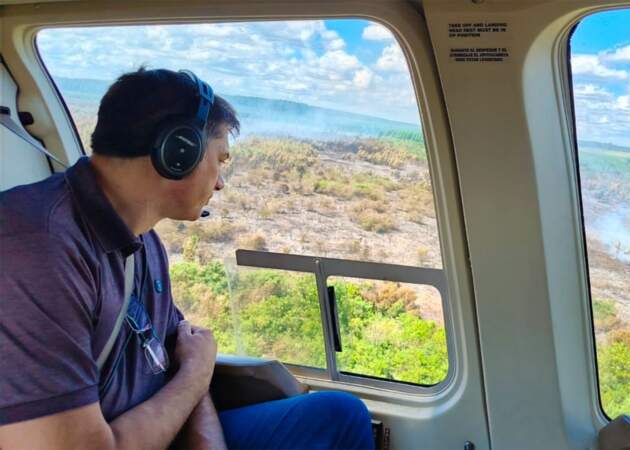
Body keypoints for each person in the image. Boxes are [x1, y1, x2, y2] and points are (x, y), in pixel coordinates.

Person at [0, 68, 374, 450]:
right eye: (221, 160)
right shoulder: (36, 250)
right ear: (179, 151)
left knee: (339, 416)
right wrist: (196, 375)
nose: (220, 183)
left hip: (161, 431)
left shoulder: (144, 244)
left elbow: (178, 359)